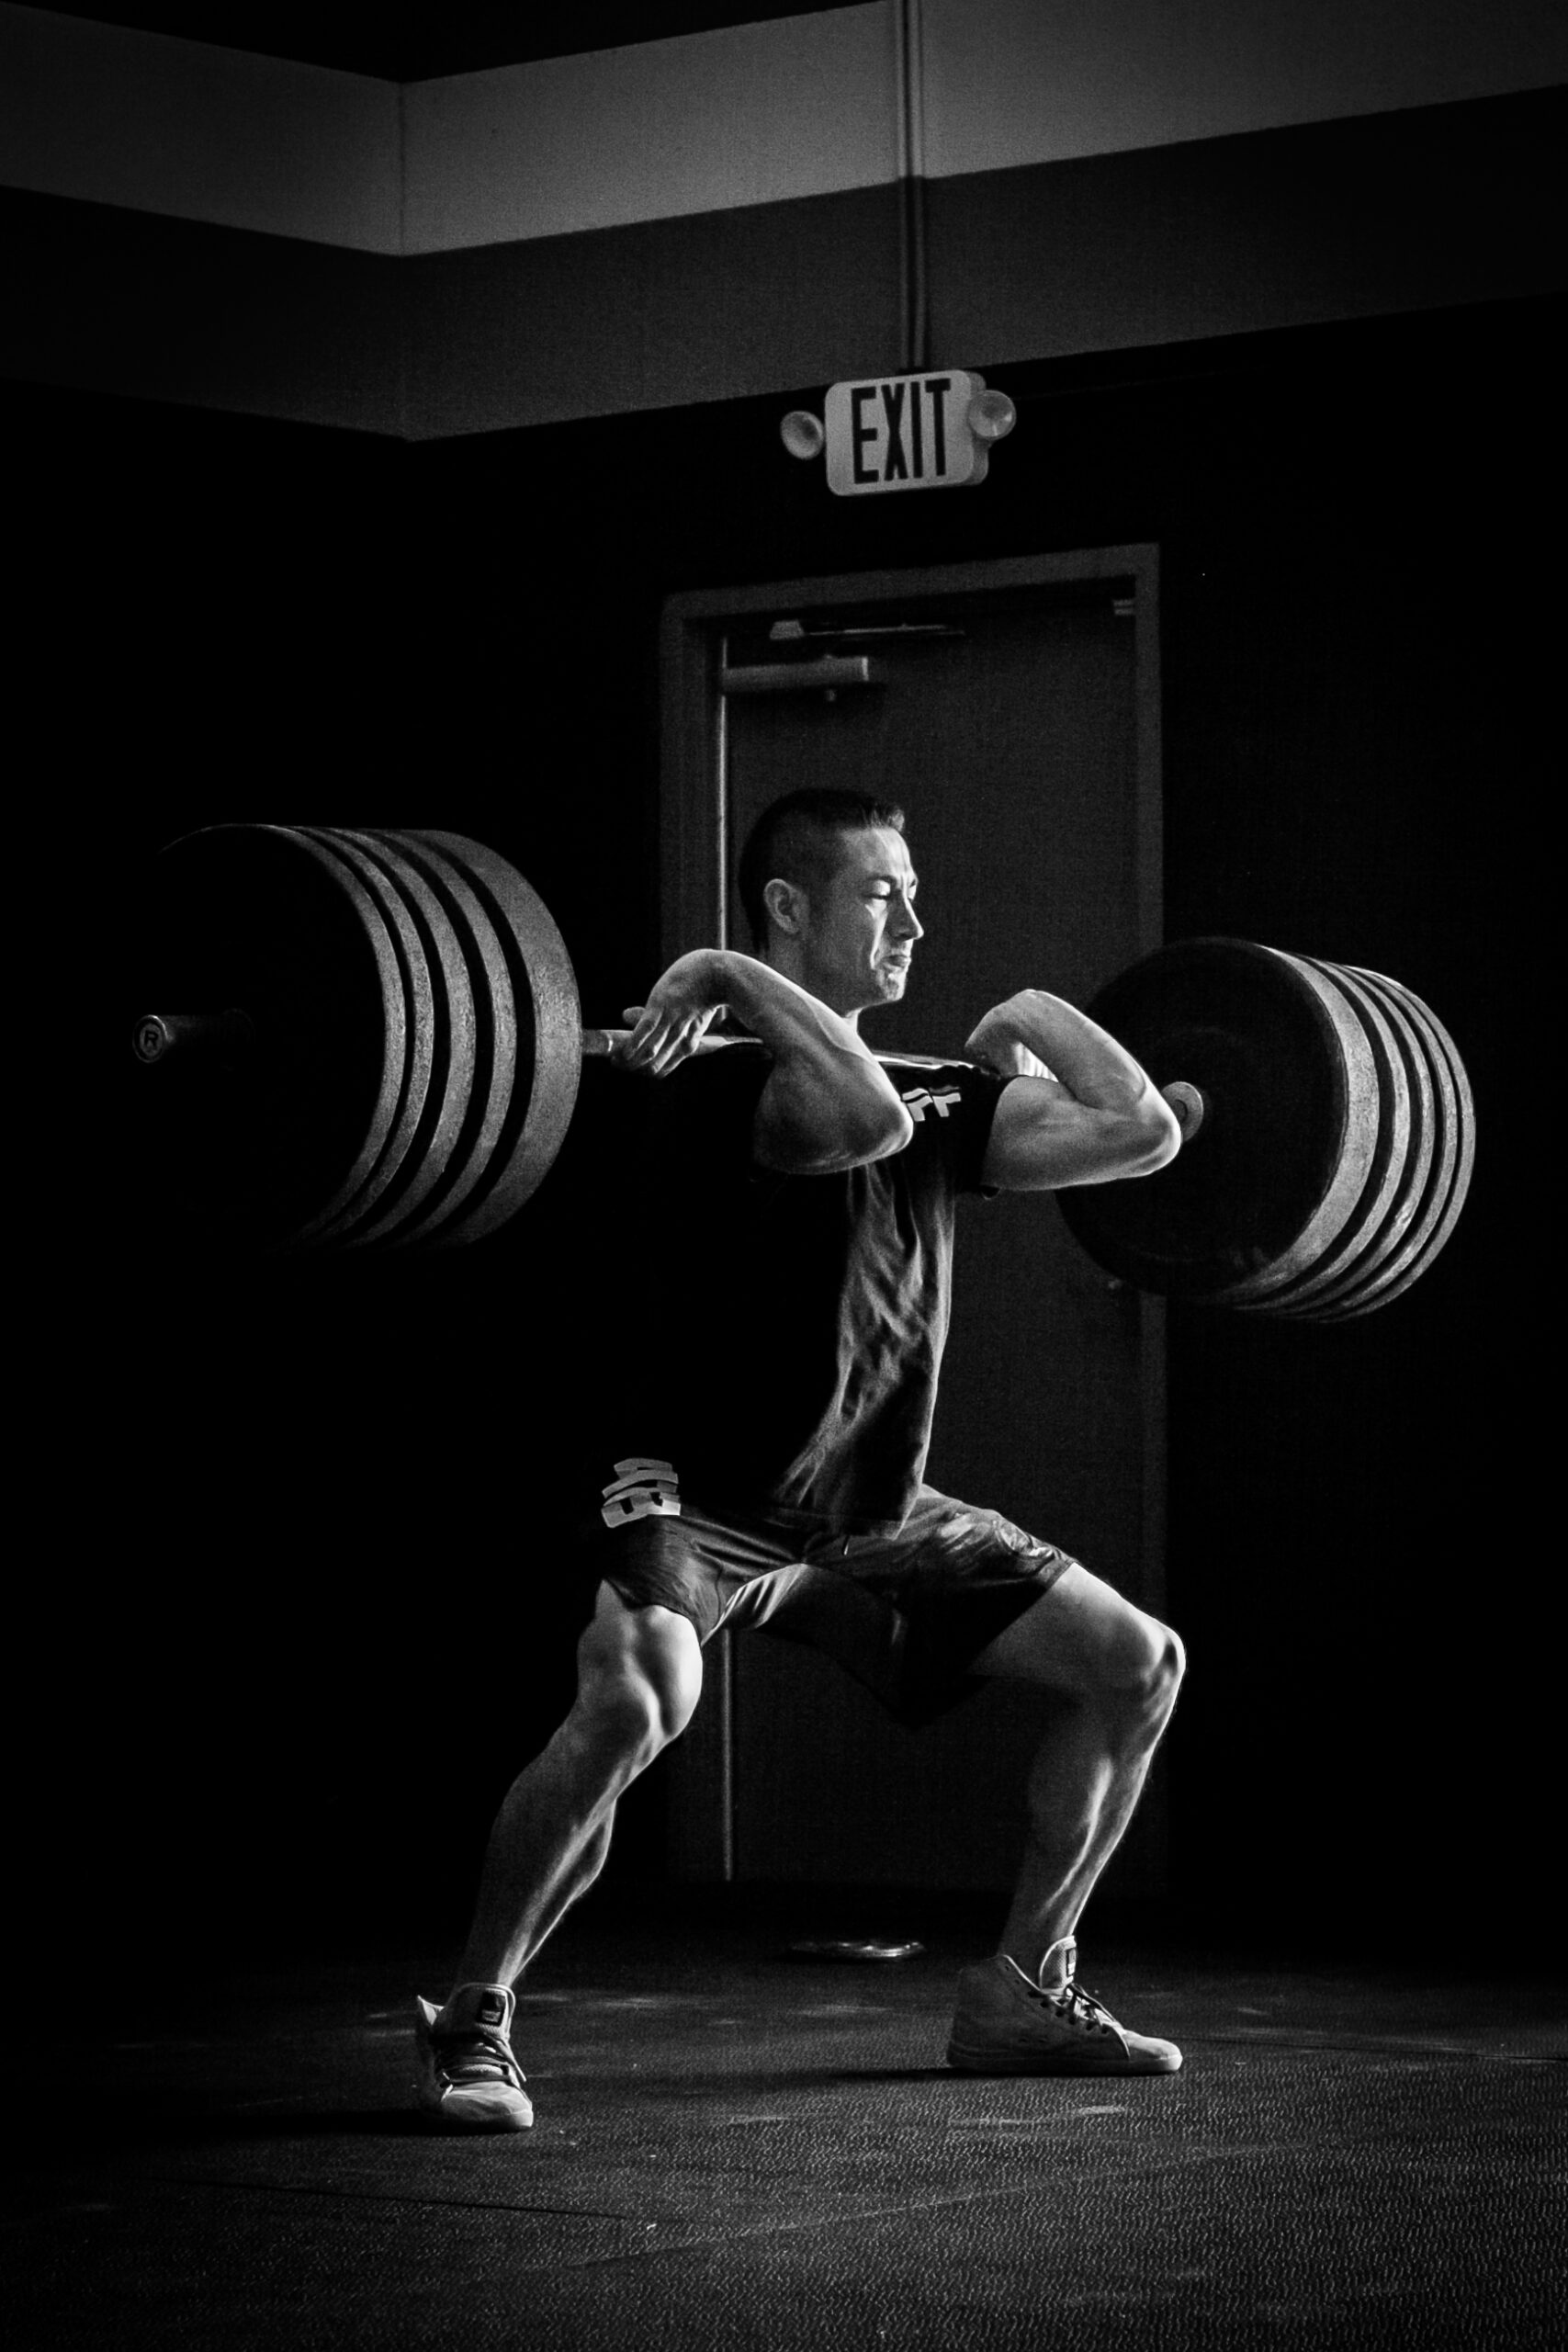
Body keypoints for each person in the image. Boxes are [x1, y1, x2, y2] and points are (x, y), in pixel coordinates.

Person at [415, 789, 1187, 2130]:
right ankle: (475, 2017)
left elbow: (1140, 1132)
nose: (913, 922)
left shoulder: (938, 1090)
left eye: (913, 893)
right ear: (788, 907)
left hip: (872, 1506)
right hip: (704, 1496)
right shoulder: (732, 1081)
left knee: (1137, 1664)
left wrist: (1025, 1016)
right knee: (636, 1701)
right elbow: (862, 1122)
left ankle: (1022, 1991)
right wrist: (721, 977)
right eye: (883, 892)